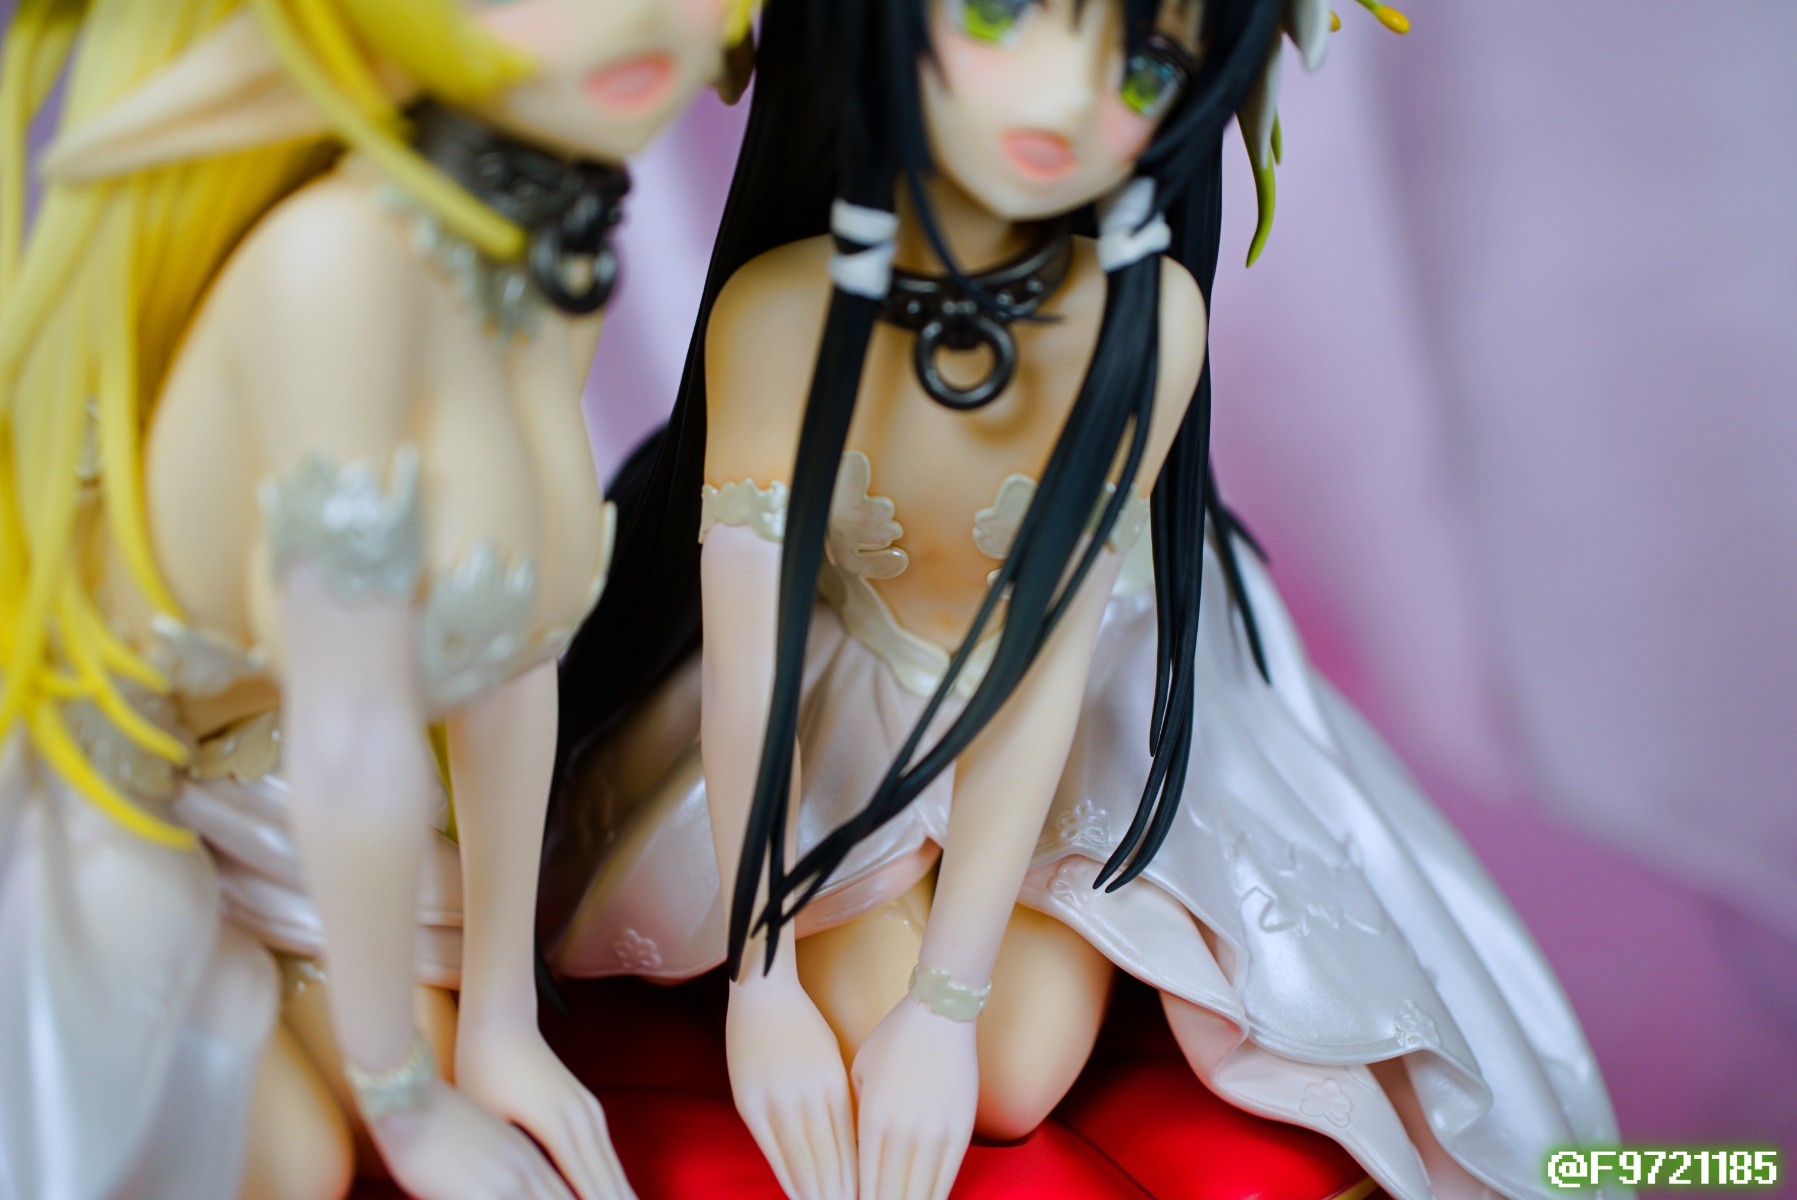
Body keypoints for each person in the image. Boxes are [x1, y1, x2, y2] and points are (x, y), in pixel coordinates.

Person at [545, 1, 1626, 1197]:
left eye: (1148, 64)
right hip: (845, 686)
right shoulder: (778, 315)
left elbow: (1045, 667)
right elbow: (753, 664)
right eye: (1001, 13)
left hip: (1078, 704)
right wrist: (763, 988)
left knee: (1008, 1071)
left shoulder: (1143, 322)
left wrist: (945, 1006)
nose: (1067, 96)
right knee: (875, 1025)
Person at [0, 1, 751, 1196]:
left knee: (427, 1078)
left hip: (285, 770)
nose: (636, 18)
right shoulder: (332, 264)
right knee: (298, 1160)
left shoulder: (541, 260)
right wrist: (402, 1102)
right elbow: (350, 727)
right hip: (95, 788)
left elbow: (513, 646)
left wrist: (504, 1017)